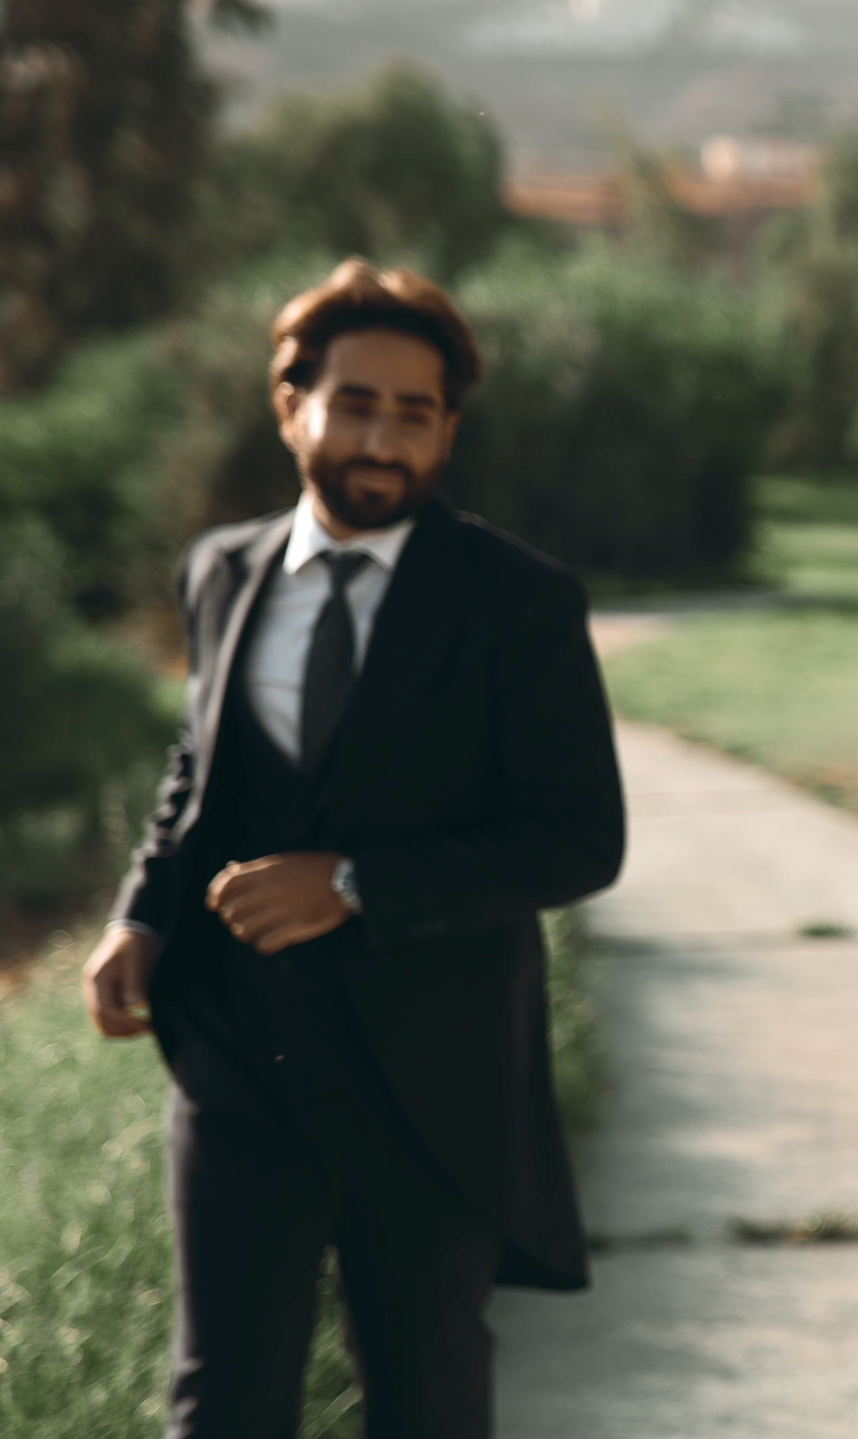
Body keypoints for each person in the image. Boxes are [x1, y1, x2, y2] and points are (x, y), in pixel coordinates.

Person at [79, 257, 625, 1439]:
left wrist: (354, 885)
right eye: (356, 404)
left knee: (425, 1395)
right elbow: (196, 772)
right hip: (235, 1057)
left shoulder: (517, 600)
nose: (384, 439)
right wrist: (141, 911)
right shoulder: (218, 571)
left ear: (448, 431)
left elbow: (580, 838)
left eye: (414, 414)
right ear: (292, 408)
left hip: (432, 1074)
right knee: (220, 1396)